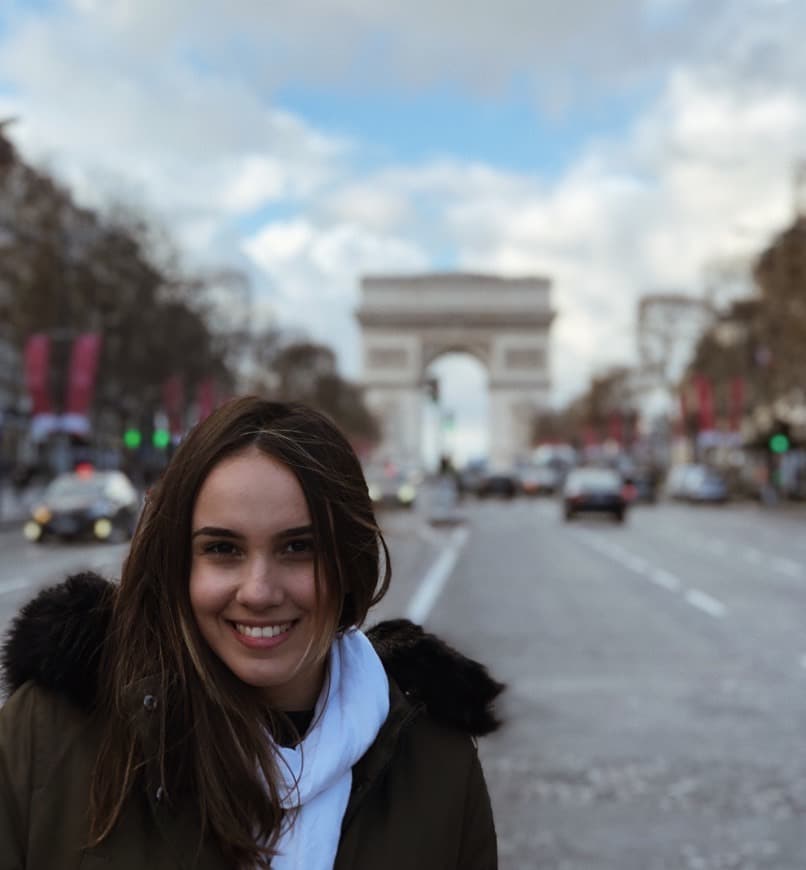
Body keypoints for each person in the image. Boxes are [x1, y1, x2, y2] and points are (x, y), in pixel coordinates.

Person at [0, 396, 503, 869]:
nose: (259, 591)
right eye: (223, 549)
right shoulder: (45, 735)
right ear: (178, 563)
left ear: (349, 563)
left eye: (298, 547)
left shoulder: (441, 762)